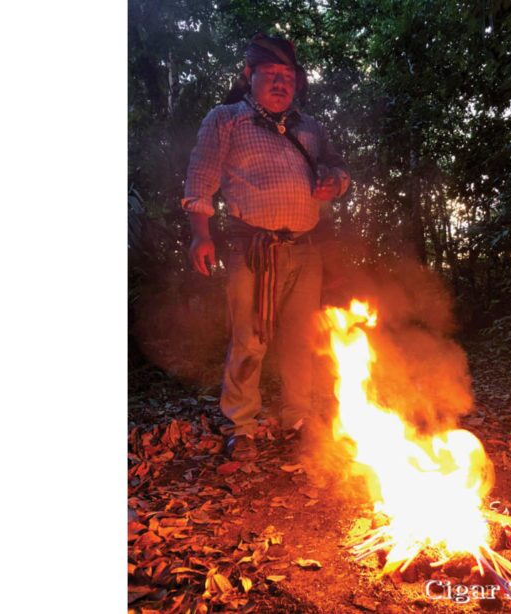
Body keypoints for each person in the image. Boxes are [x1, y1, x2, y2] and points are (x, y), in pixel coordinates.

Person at [181, 33, 350, 461]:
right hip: (251, 249)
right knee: (249, 339)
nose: (280, 83)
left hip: (305, 249)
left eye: (287, 76)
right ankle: (241, 425)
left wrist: (335, 182)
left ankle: (298, 416)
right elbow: (200, 179)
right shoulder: (226, 120)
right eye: (271, 74)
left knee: (300, 339)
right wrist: (201, 234)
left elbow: (337, 168)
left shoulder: (309, 127)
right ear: (248, 75)